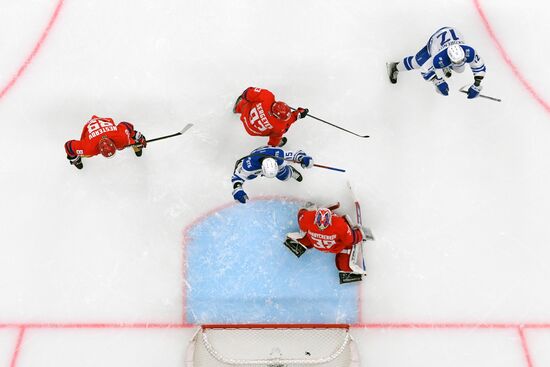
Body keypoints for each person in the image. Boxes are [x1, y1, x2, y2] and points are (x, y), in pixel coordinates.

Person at [387, 26, 486, 98]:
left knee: (460, 69)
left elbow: (479, 65)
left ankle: (445, 66)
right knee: (416, 63)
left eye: (461, 59)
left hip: (450, 38)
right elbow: (425, 70)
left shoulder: (469, 51)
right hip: (435, 43)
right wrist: (438, 82)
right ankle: (395, 67)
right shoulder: (438, 57)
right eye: (454, 61)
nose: (460, 62)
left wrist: (477, 84)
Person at [284, 203, 369, 284]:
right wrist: (360, 233)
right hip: (334, 247)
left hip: (315, 243)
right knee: (348, 243)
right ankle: (347, 271)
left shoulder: (308, 218)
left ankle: (297, 244)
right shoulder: (338, 224)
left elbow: (301, 216)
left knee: (306, 235)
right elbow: (351, 239)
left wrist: (306, 209)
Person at [231, 146, 313, 204]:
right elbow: (237, 177)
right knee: (250, 176)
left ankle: (290, 171)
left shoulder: (279, 154)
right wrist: (238, 190)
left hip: (273, 156)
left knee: (284, 176)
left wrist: (303, 158)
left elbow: (295, 154)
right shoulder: (248, 166)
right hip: (256, 161)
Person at [233, 87, 309, 147]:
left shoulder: (267, 96)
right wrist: (298, 114)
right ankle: (276, 145)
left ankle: (238, 108)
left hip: (246, 116)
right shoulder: (280, 125)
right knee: (280, 131)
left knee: (250, 102)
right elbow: (273, 141)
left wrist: (245, 96)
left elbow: (248, 92)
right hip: (252, 131)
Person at [64, 115, 147, 169]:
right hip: (90, 127)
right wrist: (138, 136)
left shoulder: (120, 137)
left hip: (105, 123)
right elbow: (69, 146)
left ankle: (136, 143)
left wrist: (137, 137)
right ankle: (135, 143)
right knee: (87, 154)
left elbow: (69, 146)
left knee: (125, 142)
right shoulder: (88, 148)